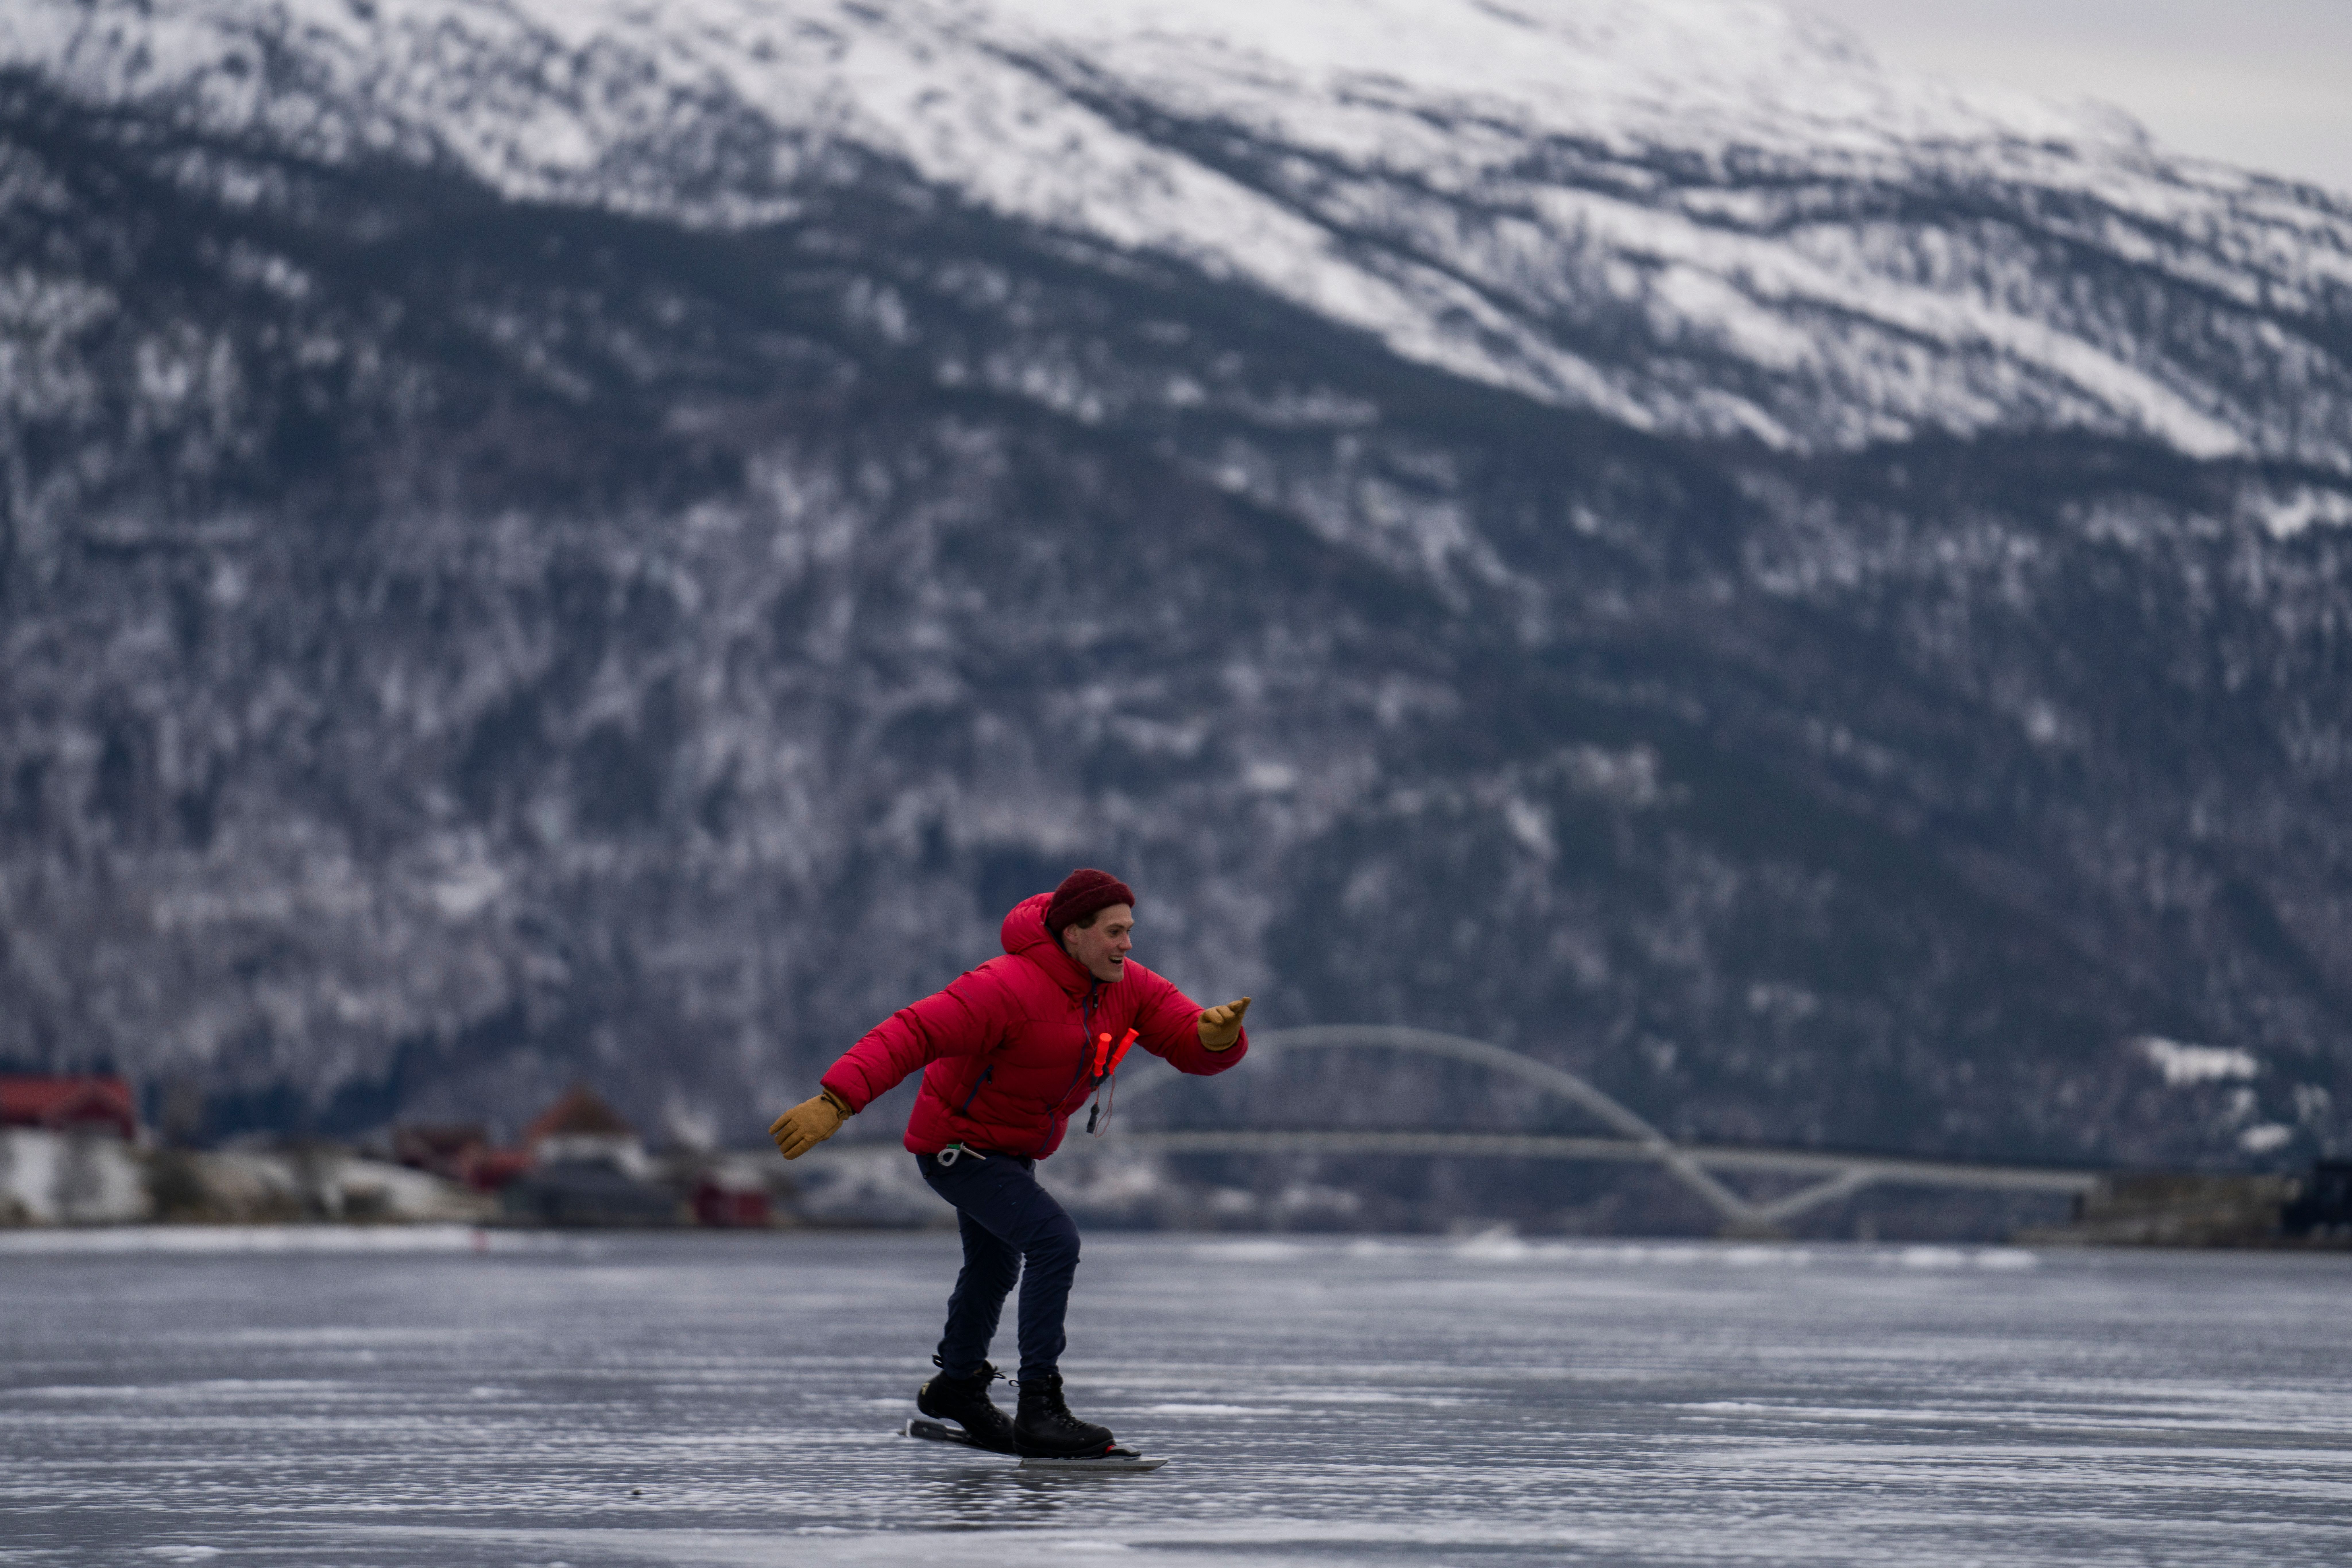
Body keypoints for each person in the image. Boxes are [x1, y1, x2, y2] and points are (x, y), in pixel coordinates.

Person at [768, 867, 1251, 1458]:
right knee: (1054, 1241)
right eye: (1114, 932)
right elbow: (912, 1031)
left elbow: (1185, 1039)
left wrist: (1216, 1038)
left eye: (1130, 931)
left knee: (997, 1264)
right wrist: (837, 1100)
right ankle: (1039, 1408)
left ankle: (957, 1385)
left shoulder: (1127, 985)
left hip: (1012, 1151)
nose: (1127, 944)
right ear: (1073, 934)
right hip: (957, 1147)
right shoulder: (1005, 986)